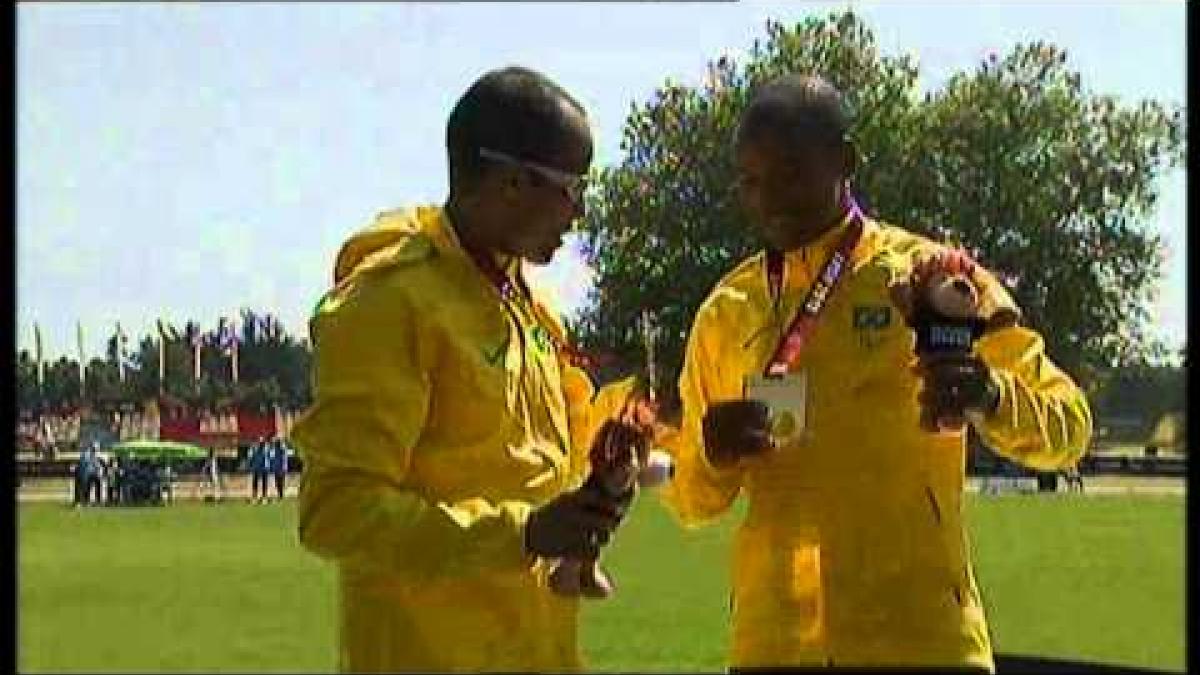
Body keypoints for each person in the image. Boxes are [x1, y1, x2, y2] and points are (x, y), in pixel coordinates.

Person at [660, 74, 1093, 673]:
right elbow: (690, 500)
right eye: (751, 181)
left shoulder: (937, 281)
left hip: (922, 642)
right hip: (773, 647)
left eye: (790, 174)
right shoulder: (725, 313)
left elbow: (1068, 426)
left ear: (846, 161)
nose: (770, 199)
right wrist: (710, 454)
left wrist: (990, 395)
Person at [290, 66, 652, 673]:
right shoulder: (388, 303)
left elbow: (540, 461)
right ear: (512, 182)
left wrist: (610, 473)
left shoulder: (530, 306)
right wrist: (524, 534)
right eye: (572, 188)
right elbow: (337, 512)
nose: (580, 212)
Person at [249, 438, 270, 504]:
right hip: (256, 468)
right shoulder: (253, 449)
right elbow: (250, 458)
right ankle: (255, 498)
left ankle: (264, 497)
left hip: (263, 468)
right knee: (255, 483)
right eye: (260, 442)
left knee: (264, 483)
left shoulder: (265, 449)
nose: (261, 443)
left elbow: (268, 458)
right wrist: (251, 466)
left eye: (262, 442)